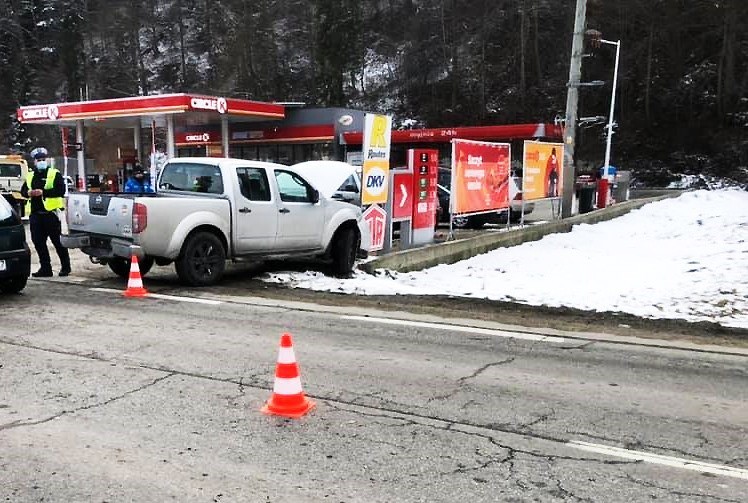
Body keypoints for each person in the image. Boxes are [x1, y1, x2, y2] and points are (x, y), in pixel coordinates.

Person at [21, 147, 71, 277]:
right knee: (38, 243)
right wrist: (28, 193)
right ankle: (45, 268)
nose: (42, 161)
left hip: (50, 214)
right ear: (35, 161)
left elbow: (60, 191)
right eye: (39, 160)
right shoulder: (31, 175)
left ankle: (66, 267)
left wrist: (44, 192)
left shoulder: (54, 173)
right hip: (36, 215)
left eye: (43, 159)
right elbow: (23, 191)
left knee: (57, 242)